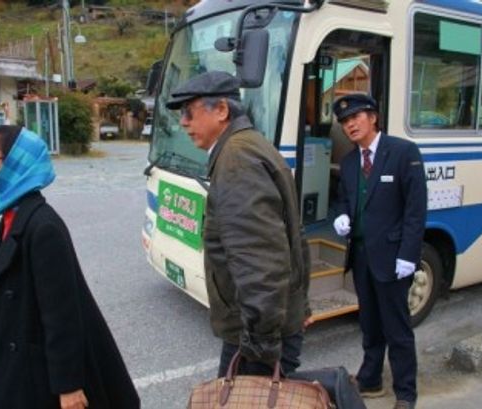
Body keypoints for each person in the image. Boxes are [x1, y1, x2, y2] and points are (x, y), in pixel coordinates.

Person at [0, 125, 140, 409]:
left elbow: (62, 315)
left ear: (18, 164)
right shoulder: (12, 216)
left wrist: (69, 386)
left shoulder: (42, 226)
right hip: (23, 365)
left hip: (39, 376)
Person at [166, 71, 312, 376]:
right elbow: (290, 238)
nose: (183, 123)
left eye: (188, 112)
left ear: (221, 110)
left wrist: (260, 345)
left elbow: (259, 261)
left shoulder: (237, 159)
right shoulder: (247, 145)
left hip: (257, 336)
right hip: (267, 324)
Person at [332, 94, 427, 409]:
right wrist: (342, 216)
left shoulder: (402, 152)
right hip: (361, 258)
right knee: (370, 324)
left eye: (355, 118)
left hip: (392, 258)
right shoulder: (348, 162)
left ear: (373, 117)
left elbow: (415, 210)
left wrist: (408, 255)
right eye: (345, 122)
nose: (350, 125)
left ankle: (405, 393)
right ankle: (370, 379)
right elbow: (346, 199)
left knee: (397, 328)